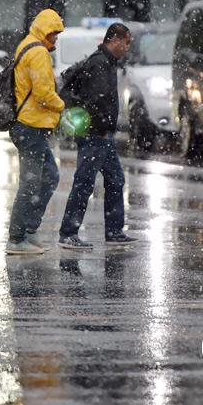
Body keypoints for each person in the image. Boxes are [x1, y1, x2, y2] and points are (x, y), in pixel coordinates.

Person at [58, 22, 138, 249]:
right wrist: (102, 128)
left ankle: (114, 231)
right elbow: (97, 101)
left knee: (115, 180)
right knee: (84, 182)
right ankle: (68, 233)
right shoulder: (100, 64)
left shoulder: (107, 62)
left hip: (103, 135)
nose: (127, 47)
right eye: (126, 42)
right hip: (96, 135)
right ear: (115, 40)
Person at [6, 8, 66, 255]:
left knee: (49, 176)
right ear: (44, 31)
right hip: (31, 126)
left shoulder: (26, 45)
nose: (55, 40)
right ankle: (17, 237)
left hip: (28, 125)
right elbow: (42, 94)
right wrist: (62, 105)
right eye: (53, 34)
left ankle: (29, 230)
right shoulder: (38, 52)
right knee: (31, 184)